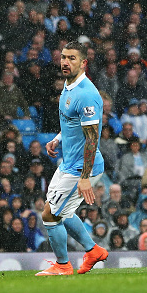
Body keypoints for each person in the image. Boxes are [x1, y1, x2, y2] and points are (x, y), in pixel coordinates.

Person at [36, 41, 108, 276]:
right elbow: (72, 123)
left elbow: (92, 139)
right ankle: (93, 251)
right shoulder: (68, 87)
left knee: (50, 214)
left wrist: (85, 177)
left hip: (81, 167)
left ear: (84, 62)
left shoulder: (87, 95)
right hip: (69, 162)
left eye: (72, 58)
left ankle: (63, 265)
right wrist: (58, 138)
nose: (65, 62)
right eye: (63, 57)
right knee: (62, 213)